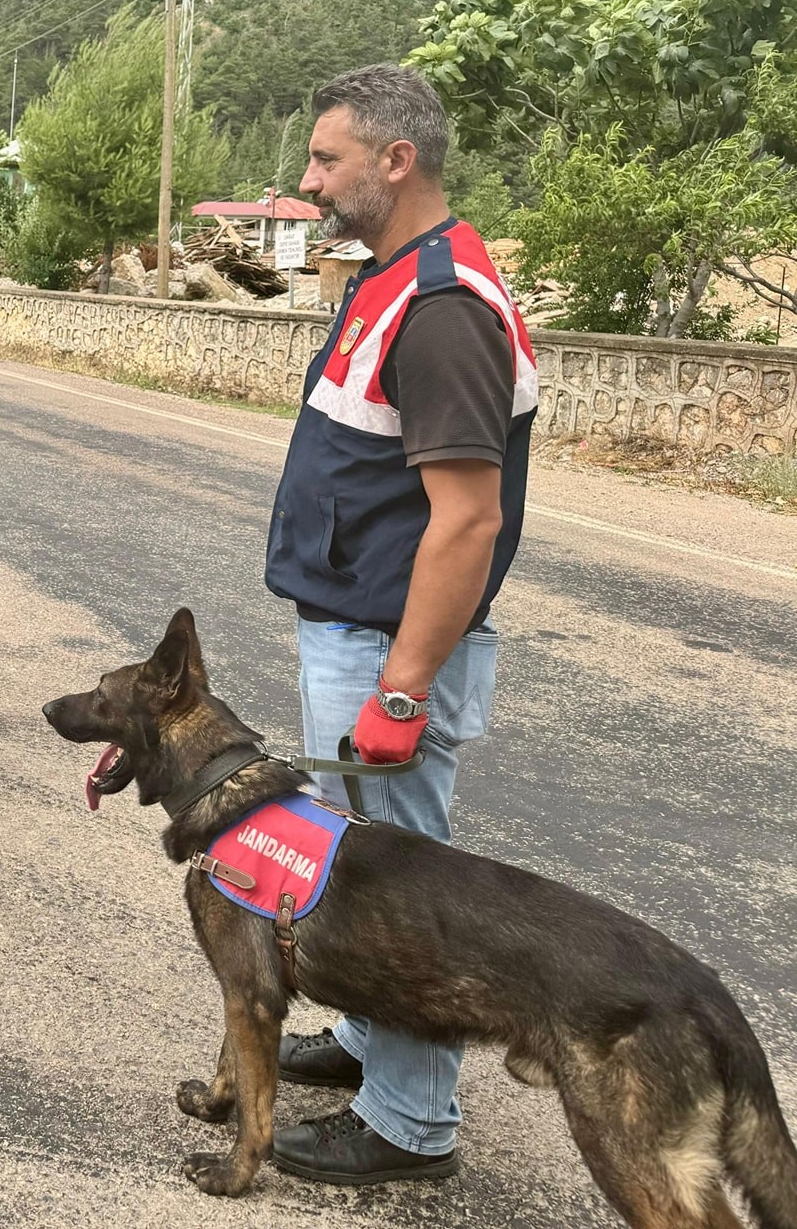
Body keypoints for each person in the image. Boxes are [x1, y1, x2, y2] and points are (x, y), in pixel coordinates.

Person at [263, 64, 537, 1186]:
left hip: (388, 648)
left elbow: (467, 519)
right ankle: (372, 1040)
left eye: (326, 158)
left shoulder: (441, 309)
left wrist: (402, 685)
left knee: (400, 887)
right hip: (358, 627)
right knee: (357, 863)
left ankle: (410, 1123)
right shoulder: (389, 278)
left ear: (395, 159)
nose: (308, 179)